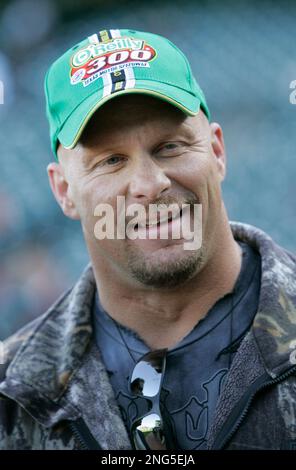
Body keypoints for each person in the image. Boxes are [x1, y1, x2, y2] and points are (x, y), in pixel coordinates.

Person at [0, 28, 296, 451]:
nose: (149, 184)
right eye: (111, 160)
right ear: (63, 190)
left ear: (216, 151)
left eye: (170, 146)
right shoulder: (13, 391)